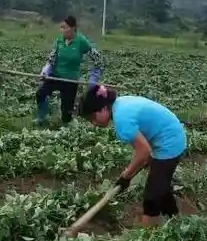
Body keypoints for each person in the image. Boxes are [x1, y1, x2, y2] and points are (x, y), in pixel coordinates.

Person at [79, 85, 187, 226]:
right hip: (168, 133)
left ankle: (146, 236)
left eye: (93, 117)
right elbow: (143, 151)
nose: (93, 123)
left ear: (104, 108)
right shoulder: (119, 104)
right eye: (90, 120)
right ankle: (175, 219)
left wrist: (126, 177)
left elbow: (144, 152)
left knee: (151, 199)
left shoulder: (122, 121)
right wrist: (130, 173)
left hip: (169, 142)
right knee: (160, 185)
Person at [36, 15, 102, 126]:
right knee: (40, 93)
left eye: (65, 27)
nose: (62, 30)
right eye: (61, 27)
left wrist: (94, 76)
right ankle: (41, 117)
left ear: (73, 28)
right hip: (55, 76)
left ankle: (66, 122)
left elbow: (98, 59)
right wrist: (46, 70)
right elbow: (52, 58)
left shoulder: (81, 41)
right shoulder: (59, 40)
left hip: (70, 80)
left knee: (66, 114)